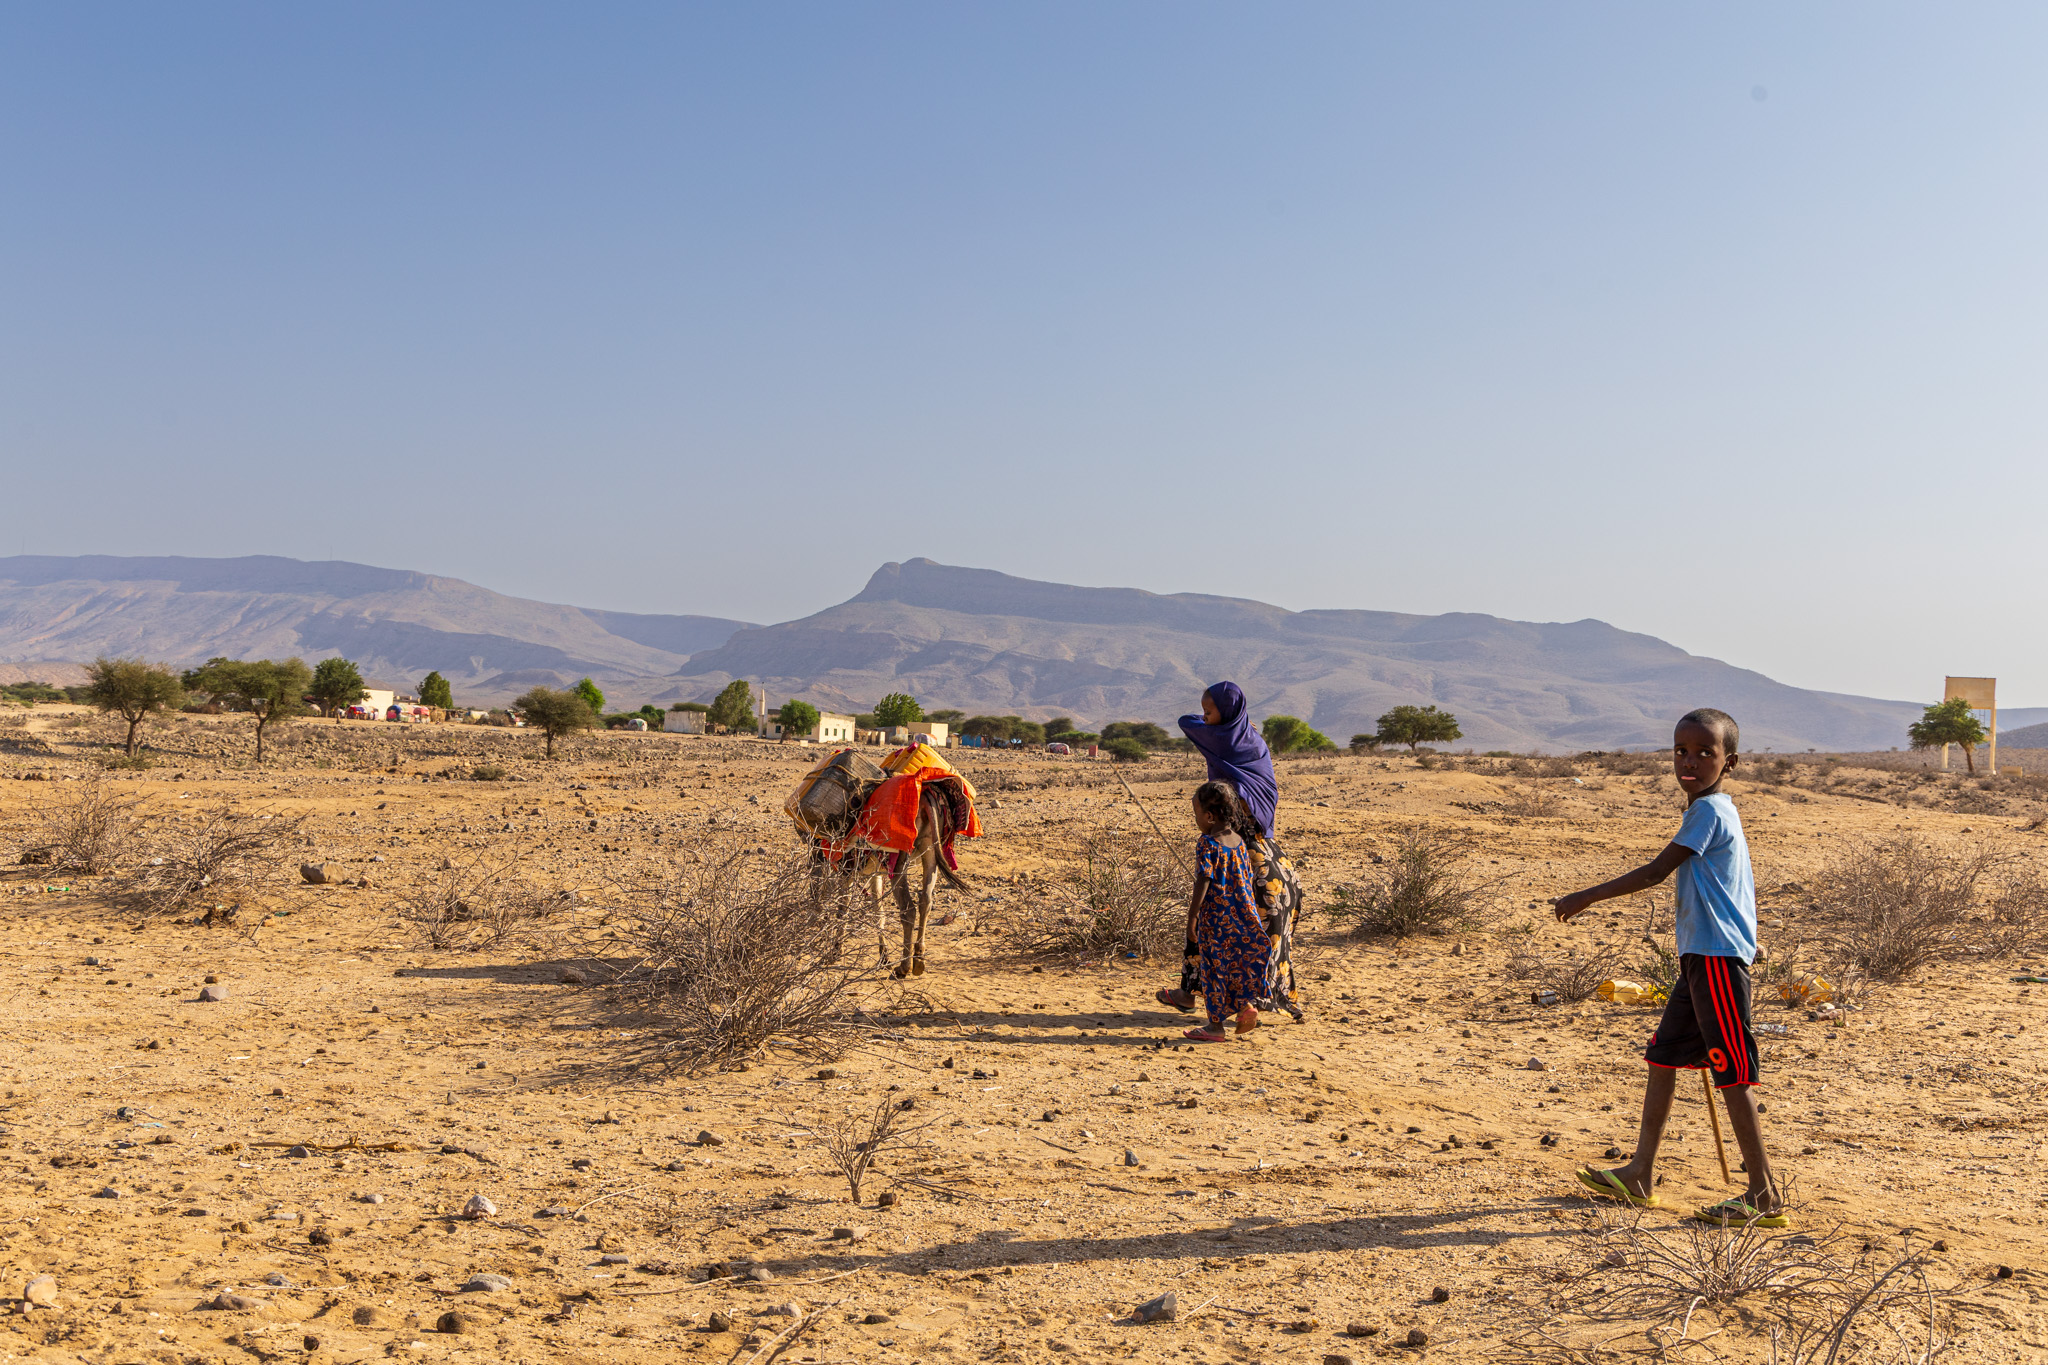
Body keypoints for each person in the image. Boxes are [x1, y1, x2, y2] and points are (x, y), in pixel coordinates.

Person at [1553, 708, 1783, 1227]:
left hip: (1717, 960)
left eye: (1706, 753)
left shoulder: (1709, 813)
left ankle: (1764, 1196)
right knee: (1662, 1056)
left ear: (1731, 762)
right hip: (1702, 959)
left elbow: (1658, 871)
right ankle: (1639, 1173)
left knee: (1733, 1073)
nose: (1691, 761)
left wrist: (1588, 895)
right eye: (1682, 750)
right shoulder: (1713, 809)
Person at [1159, 682, 1286, 1014]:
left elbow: (1186, 722)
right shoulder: (1253, 740)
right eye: (1204, 710)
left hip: (1244, 844)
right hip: (1266, 840)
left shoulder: (1215, 845)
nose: (1204, 717)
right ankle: (1246, 997)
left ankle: (1221, 1004)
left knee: (1213, 925)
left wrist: (1191, 913)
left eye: (1210, 711)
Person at [1180, 780, 1271, 1042]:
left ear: (1209, 816)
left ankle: (1215, 1027)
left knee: (1215, 969)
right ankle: (1246, 1007)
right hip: (1244, 916)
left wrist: (1193, 917)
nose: (1197, 820)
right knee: (1236, 966)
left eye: (1196, 814)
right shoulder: (1239, 842)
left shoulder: (1208, 843)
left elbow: (1204, 880)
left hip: (1216, 920)